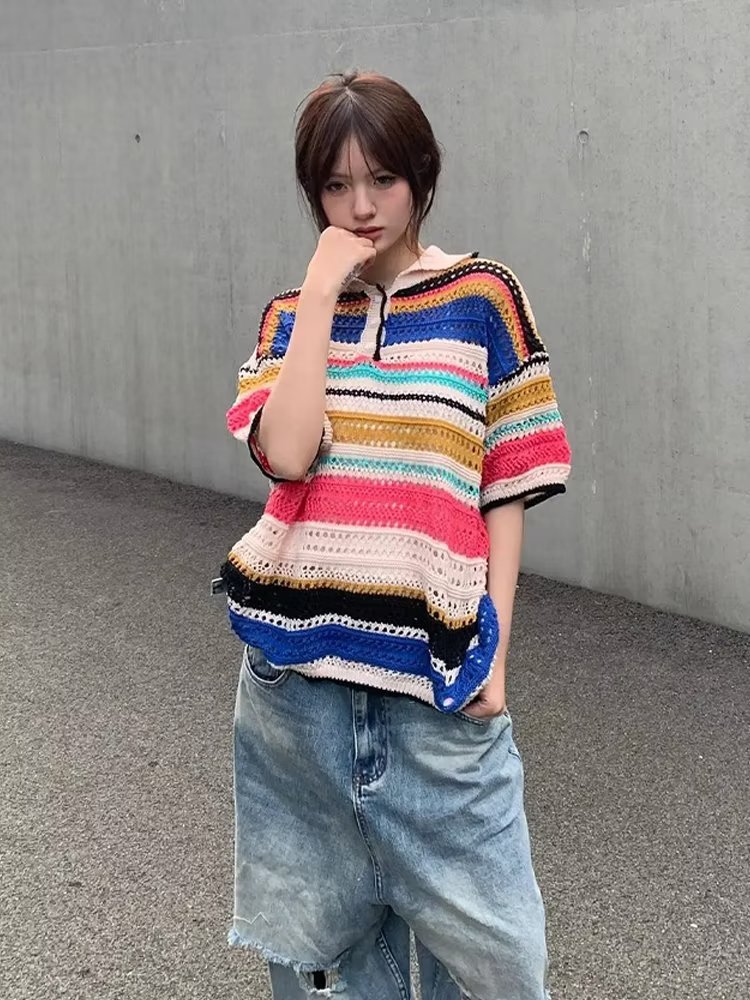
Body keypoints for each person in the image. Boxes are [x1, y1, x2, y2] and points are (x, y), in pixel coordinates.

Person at [218, 70, 572, 1000]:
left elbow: (507, 483)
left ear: (420, 174)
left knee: (495, 968)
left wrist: (498, 646)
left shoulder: (484, 299)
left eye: (382, 178)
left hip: (436, 685)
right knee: (327, 967)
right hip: (296, 692)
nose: (362, 206)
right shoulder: (290, 317)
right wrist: (321, 293)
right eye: (336, 185)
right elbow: (287, 455)